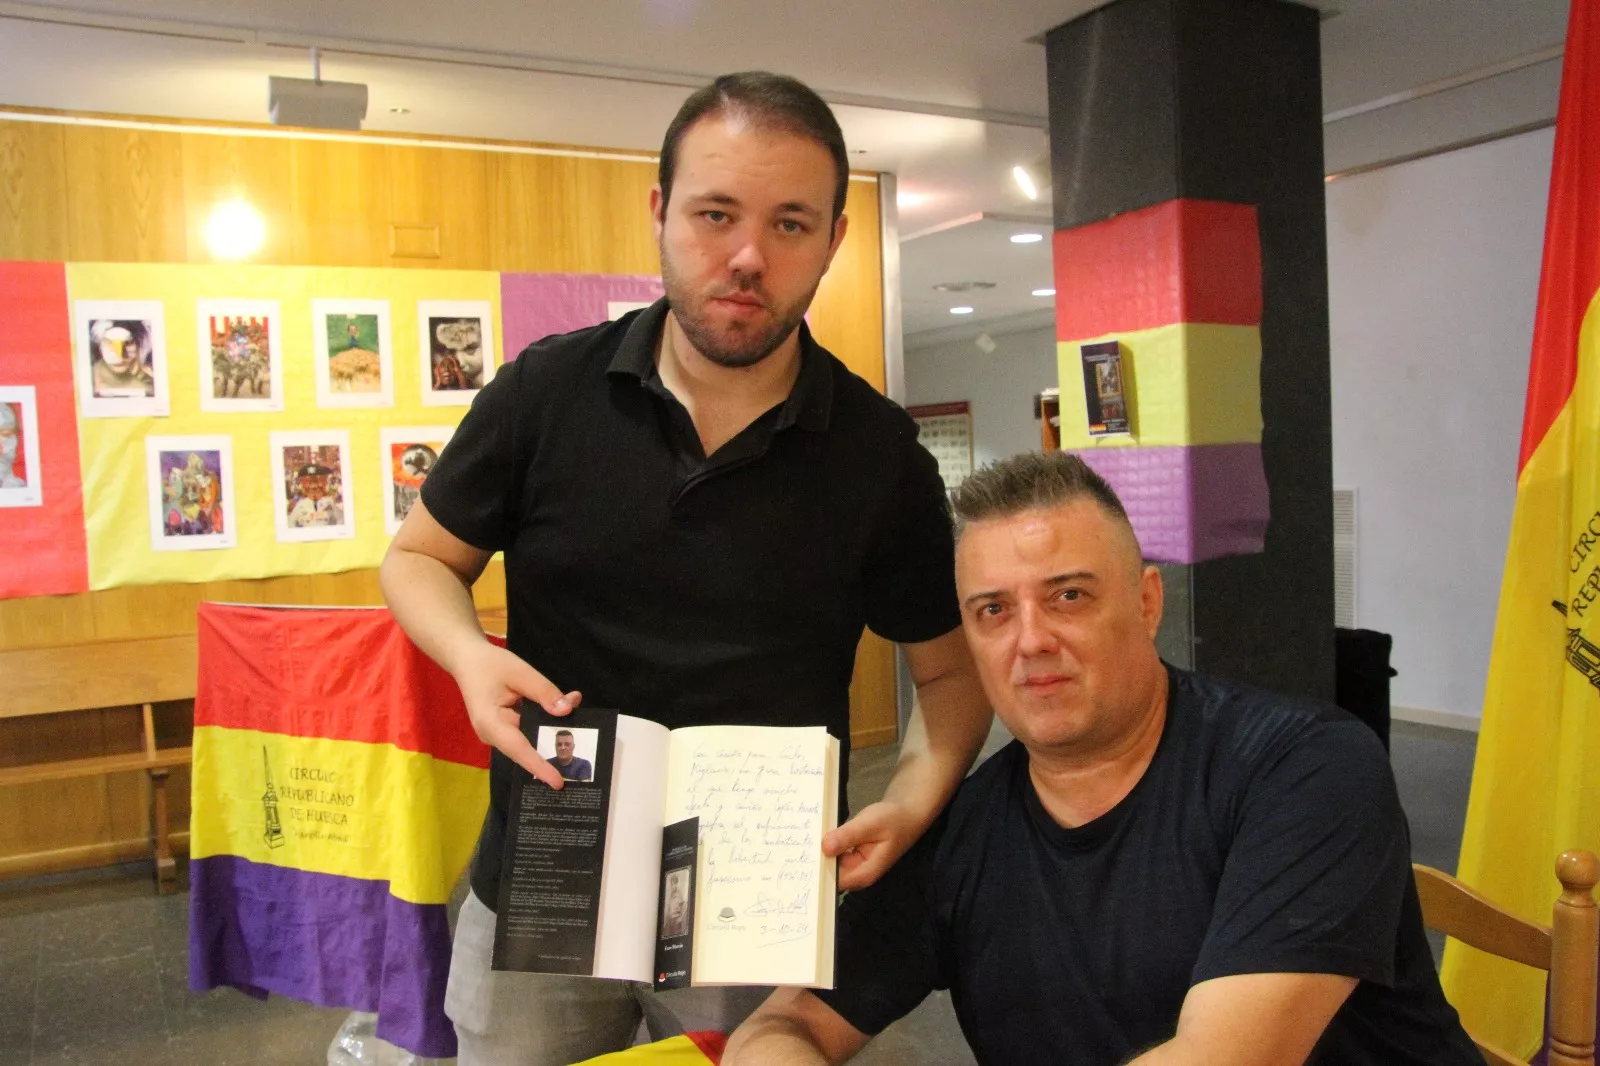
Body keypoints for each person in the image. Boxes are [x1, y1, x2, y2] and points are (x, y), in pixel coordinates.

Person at [379, 70, 991, 1066]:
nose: (747, 257)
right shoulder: (546, 392)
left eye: (791, 224)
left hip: (751, 886)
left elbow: (951, 674)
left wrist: (915, 796)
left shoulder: (878, 456)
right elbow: (418, 560)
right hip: (551, 866)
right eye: (715, 214)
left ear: (834, 241)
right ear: (660, 212)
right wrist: (466, 655)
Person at [724, 451, 1482, 1066]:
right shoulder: (964, 832)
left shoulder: (1305, 772)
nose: (1030, 642)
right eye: (994, 611)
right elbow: (780, 1026)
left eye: (1069, 597)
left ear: (1148, 602)